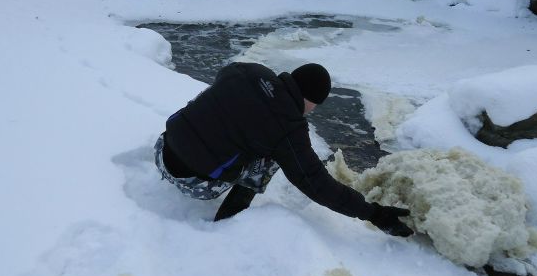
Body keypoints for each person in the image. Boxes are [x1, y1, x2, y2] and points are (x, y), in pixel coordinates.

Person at [154, 61, 413, 236]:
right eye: (315, 106)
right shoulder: (289, 128)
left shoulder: (248, 71)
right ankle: (228, 224)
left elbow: (227, 81)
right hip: (192, 182)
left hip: (162, 148)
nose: (311, 112)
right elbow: (316, 183)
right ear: (310, 100)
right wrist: (374, 214)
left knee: (224, 111)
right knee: (273, 157)